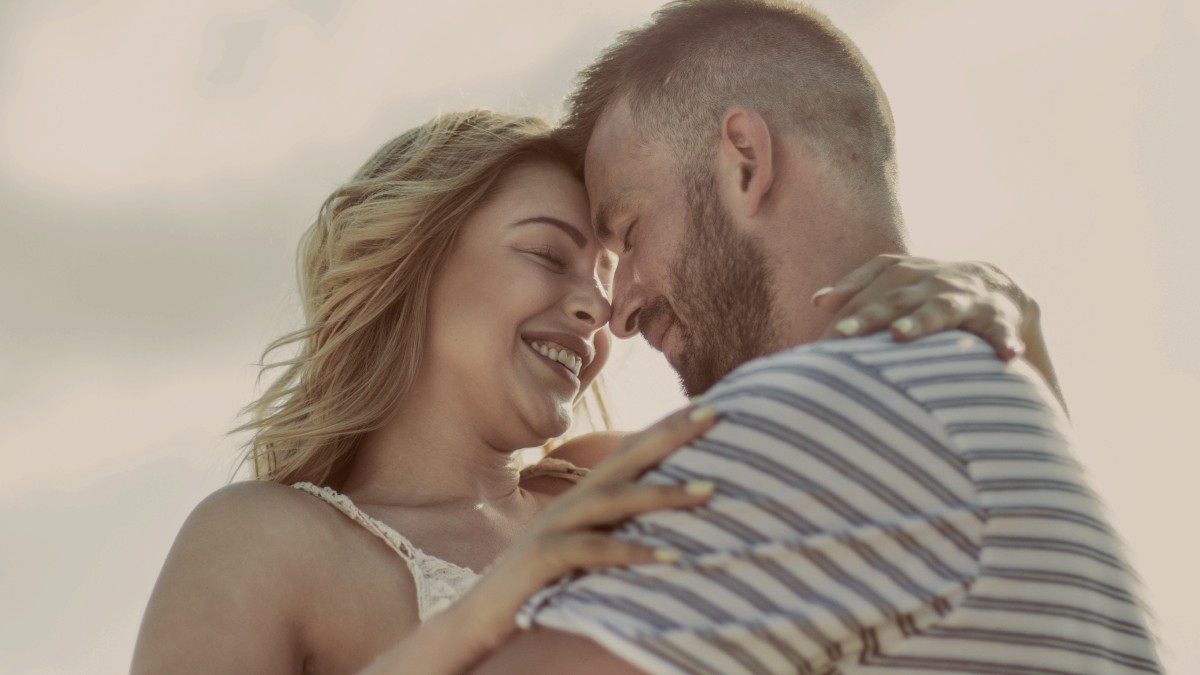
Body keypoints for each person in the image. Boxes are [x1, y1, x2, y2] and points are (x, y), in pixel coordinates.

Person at [129, 111, 1048, 673]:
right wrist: (488, 618)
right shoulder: (262, 539)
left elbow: (963, 576)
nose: (598, 308)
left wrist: (1013, 342)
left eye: (607, 270)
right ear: (410, 268)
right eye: (547, 254)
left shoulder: (627, 480)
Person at [470, 1, 1162, 674]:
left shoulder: (830, 413)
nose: (619, 311)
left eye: (629, 230)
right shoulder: (982, 385)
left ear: (744, 160)